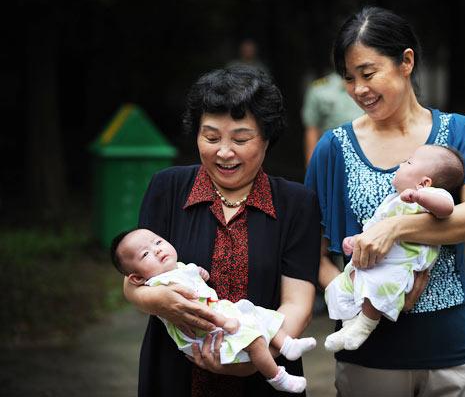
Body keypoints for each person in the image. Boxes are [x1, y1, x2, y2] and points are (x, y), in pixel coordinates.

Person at [305, 6, 465, 397]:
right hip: (369, 354)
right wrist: (355, 299)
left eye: (368, 73)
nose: (359, 89)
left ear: (406, 61)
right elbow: (310, 250)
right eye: (349, 78)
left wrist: (394, 227)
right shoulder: (334, 148)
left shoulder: (458, 133)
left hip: (450, 348)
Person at [124, 65, 321, 397]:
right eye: (211, 137)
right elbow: (134, 280)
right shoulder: (168, 188)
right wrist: (157, 299)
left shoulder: (295, 203)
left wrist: (253, 358)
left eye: (241, 139)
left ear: (267, 138)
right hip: (175, 371)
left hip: (265, 376)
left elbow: (297, 303)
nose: (224, 152)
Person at [112, 228, 316, 393]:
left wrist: (199, 272)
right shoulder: (159, 285)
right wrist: (223, 321)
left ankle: (287, 345)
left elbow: (192, 274)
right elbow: (196, 310)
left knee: (258, 313)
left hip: (222, 313)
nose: (156, 250)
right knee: (253, 340)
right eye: (145, 253)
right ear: (137, 278)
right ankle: (277, 377)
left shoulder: (177, 268)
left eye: (157, 242)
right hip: (205, 330)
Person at [323, 145, 464, 352]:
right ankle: (349, 325)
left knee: (377, 289)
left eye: (408, 162)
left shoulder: (429, 197)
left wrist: (420, 196)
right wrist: (356, 240)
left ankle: (364, 326)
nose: (400, 164)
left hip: (399, 266)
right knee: (337, 288)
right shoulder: (391, 202)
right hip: (372, 263)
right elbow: (374, 228)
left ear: (425, 182)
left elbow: (447, 208)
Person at [301, 71, 363, 166]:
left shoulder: (369, 84)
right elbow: (312, 129)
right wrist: (311, 166)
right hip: (334, 156)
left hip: (368, 152)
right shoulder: (320, 88)